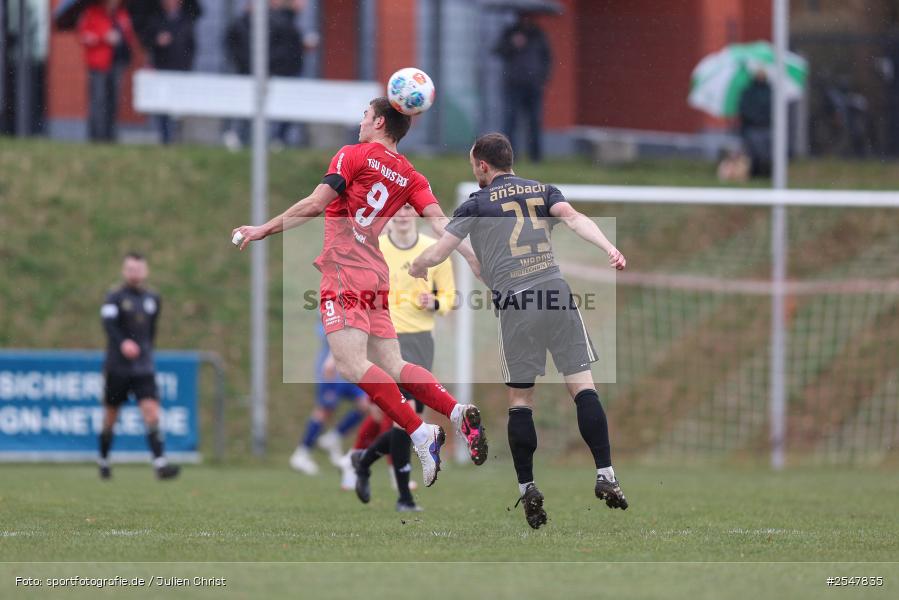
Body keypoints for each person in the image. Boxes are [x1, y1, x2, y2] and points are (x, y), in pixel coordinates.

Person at [232, 97, 488, 488]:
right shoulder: (413, 176)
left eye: (365, 116)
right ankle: (455, 412)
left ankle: (422, 433)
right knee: (394, 364)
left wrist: (262, 229)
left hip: (345, 271)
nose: (361, 122)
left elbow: (315, 204)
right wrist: (471, 256)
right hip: (377, 272)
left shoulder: (353, 155)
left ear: (380, 122)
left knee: (351, 365)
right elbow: (440, 223)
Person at [409, 133, 628, 528]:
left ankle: (527, 486)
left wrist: (418, 265)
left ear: (482, 166)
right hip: (556, 292)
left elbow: (441, 250)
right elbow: (574, 218)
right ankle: (606, 474)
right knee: (583, 387)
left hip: (517, 302)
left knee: (521, 399)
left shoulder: (476, 203)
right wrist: (608, 247)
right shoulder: (543, 191)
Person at [350, 203, 457, 512]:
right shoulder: (377, 247)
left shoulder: (433, 250)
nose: (403, 213)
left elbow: (449, 297)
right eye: (398, 207)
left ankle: (365, 460)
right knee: (405, 419)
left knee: (410, 422)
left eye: (409, 207)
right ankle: (404, 497)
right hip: (385, 341)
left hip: (421, 343)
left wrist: (434, 302)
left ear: (416, 214)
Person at [99, 253, 179, 480]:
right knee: (111, 416)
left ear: (145, 271)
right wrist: (123, 342)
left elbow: (151, 331)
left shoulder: (153, 298)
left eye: (138, 269)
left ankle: (160, 464)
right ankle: (104, 461)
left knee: (152, 412)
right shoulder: (114, 297)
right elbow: (109, 325)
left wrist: (146, 352)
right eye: (130, 269)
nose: (134, 273)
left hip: (143, 368)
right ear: (124, 271)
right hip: (118, 368)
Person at [289, 323, 368, 477]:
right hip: (331, 372)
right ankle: (302, 453)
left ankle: (334, 437)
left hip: (349, 373)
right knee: (324, 411)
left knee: (366, 403)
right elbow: (334, 336)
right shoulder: (330, 307)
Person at [494, 13, 552, 162]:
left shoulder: (539, 34)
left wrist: (542, 78)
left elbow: (547, 59)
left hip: (533, 85)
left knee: (534, 121)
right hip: (513, 84)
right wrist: (512, 44)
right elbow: (497, 50)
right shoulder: (510, 32)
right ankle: (509, 157)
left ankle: (535, 157)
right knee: (510, 121)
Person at [78, 0, 138, 142]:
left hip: (117, 63)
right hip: (98, 64)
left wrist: (122, 38)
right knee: (98, 101)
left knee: (113, 101)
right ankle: (97, 137)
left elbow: (128, 37)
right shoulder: (92, 13)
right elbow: (84, 36)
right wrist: (103, 38)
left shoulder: (122, 15)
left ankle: (110, 137)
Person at [140, 0, 197, 144]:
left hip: (180, 69)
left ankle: (177, 136)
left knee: (178, 108)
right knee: (163, 106)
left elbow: (192, 46)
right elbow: (146, 40)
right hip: (162, 68)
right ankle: (165, 138)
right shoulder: (156, 20)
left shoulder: (186, 20)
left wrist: (187, 65)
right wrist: (157, 41)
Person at [738, 69, 773, 177]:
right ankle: (754, 174)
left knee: (767, 155)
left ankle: (767, 174)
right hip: (752, 127)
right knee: (755, 154)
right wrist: (755, 119)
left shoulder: (771, 91)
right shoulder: (748, 92)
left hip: (767, 127)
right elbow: (744, 109)